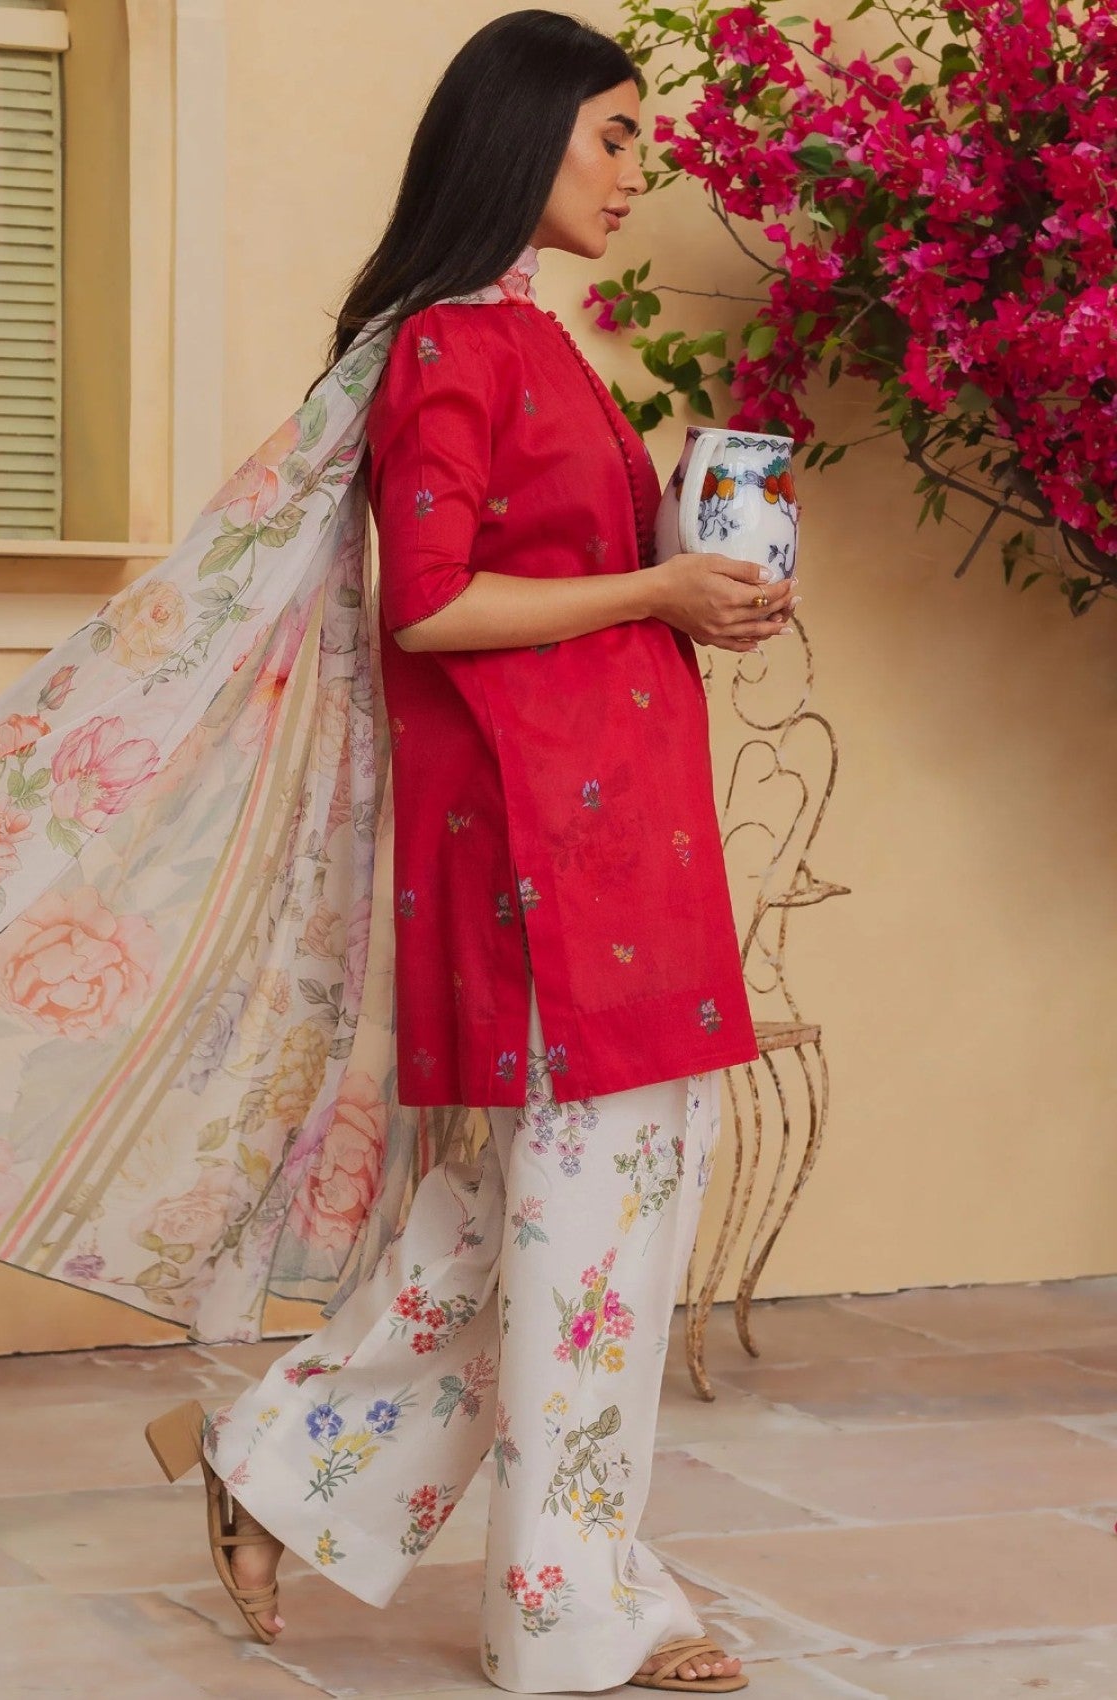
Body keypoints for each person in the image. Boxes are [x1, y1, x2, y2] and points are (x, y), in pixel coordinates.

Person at [143, 10, 794, 1694]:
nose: (638, 171)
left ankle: (275, 1467)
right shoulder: (451, 346)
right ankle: (565, 1603)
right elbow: (429, 606)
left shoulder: (535, 340)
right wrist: (655, 588)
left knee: (527, 1230)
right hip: (543, 857)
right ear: (521, 134)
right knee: (582, 1250)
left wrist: (694, 579)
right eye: (615, 135)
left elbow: (562, 578)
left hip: (621, 841)